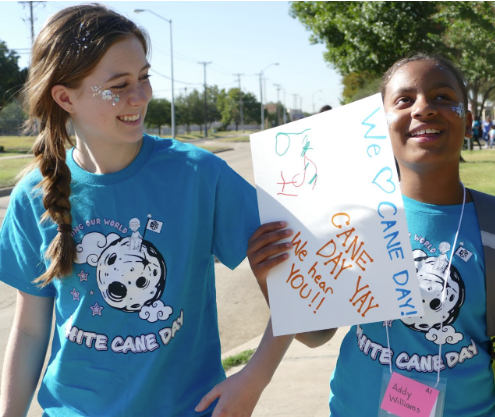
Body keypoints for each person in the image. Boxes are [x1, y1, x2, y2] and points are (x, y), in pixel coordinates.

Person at [0, 5, 291, 416]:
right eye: (118, 85)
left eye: (144, 77)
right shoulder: (35, 194)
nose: (140, 96)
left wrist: (256, 377)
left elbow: (304, 289)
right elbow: (30, 329)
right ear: (65, 97)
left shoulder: (199, 174)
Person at [251, 54, 495, 416]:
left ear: (468, 118)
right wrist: (272, 282)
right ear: (379, 121)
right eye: (404, 100)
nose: (424, 108)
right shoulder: (349, 220)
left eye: (443, 97)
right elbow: (315, 335)